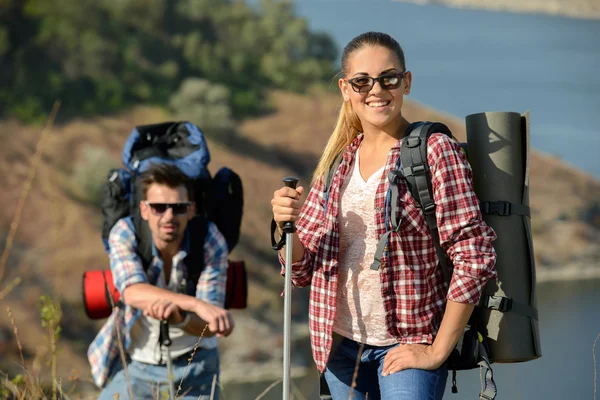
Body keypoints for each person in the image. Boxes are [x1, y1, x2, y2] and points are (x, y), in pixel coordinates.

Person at [270, 31, 497, 400]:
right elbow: (302, 269)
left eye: (388, 78)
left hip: (407, 343)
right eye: (362, 81)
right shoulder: (338, 161)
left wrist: (438, 350)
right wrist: (285, 228)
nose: (376, 90)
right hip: (339, 346)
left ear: (406, 82)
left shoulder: (435, 150)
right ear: (345, 89)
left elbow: (473, 255)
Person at [88, 163, 234, 399]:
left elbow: (208, 328)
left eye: (178, 208)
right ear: (144, 209)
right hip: (137, 364)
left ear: (191, 209)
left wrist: (180, 317)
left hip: (196, 366)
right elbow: (132, 292)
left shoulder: (209, 239)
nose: (169, 216)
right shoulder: (125, 232)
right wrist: (195, 305)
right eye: (158, 207)